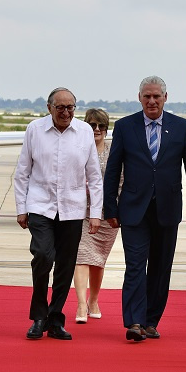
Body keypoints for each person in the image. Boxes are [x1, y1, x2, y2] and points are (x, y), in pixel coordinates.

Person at [103, 75, 186, 342]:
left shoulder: (181, 127)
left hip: (167, 209)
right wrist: (109, 208)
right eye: (146, 96)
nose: (151, 101)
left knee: (160, 267)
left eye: (156, 96)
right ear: (139, 98)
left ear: (165, 98)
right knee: (135, 265)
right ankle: (134, 322)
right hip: (134, 209)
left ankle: (150, 321)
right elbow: (113, 169)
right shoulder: (125, 127)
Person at [14, 87, 103, 340]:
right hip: (40, 205)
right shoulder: (35, 130)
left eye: (71, 108)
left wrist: (95, 212)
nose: (66, 113)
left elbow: (94, 177)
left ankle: (55, 319)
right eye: (60, 107)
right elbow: (23, 172)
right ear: (49, 107)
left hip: (73, 208)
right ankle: (38, 316)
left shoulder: (84, 131)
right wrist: (21, 208)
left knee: (65, 265)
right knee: (42, 255)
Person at [73, 108, 119, 323]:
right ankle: (81, 305)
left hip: (107, 213)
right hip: (81, 211)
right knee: (81, 257)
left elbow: (121, 182)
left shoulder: (114, 152)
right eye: (92, 125)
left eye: (101, 126)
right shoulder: (78, 150)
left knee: (98, 260)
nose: (97, 129)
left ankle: (93, 300)